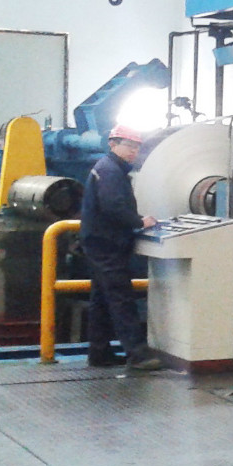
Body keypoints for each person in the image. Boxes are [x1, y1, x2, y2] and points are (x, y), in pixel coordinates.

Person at [79, 125, 162, 370]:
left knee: (101, 301)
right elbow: (113, 207)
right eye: (129, 146)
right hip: (107, 246)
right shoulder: (110, 171)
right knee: (121, 299)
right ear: (113, 144)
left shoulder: (108, 168)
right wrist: (140, 222)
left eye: (136, 147)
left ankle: (99, 353)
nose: (133, 151)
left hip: (100, 243)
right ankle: (138, 354)